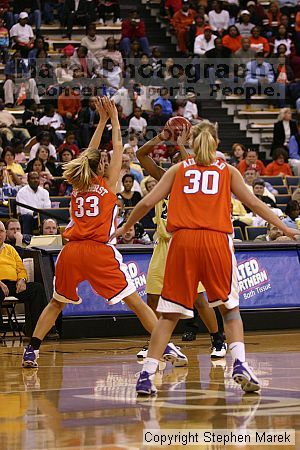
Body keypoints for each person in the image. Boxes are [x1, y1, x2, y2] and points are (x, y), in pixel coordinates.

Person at [115, 120, 300, 395]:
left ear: (191, 143)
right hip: (215, 240)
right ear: (216, 144)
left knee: (167, 317)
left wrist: (123, 228)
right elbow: (256, 204)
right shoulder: (228, 171)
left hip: (182, 242)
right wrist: (286, 227)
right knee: (230, 310)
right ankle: (238, 364)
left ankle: (146, 375)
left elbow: (145, 202)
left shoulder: (178, 170)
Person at [22, 97, 187, 369]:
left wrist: (100, 121)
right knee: (136, 303)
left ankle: (32, 350)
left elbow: (90, 153)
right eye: (106, 161)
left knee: (56, 303)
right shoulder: (108, 185)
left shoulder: (77, 185)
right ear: (102, 168)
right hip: (98, 250)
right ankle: (165, 346)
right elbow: (119, 147)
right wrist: (114, 120)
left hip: (71, 251)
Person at [135, 129, 227, 360]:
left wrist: (181, 144)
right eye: (176, 160)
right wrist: (160, 137)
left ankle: (218, 340)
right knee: (153, 296)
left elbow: (190, 162)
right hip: (163, 246)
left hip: (184, 241)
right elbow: (141, 154)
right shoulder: (164, 178)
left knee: (198, 299)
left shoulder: (194, 180)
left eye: (182, 159)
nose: (180, 162)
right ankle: (158, 342)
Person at [0, 221, 48, 336]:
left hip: (13, 284)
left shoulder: (11, 249)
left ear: (5, 234)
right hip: (0, 285)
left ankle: (37, 330)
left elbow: (21, 268)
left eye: (1, 231)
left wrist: (22, 280)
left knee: (37, 289)